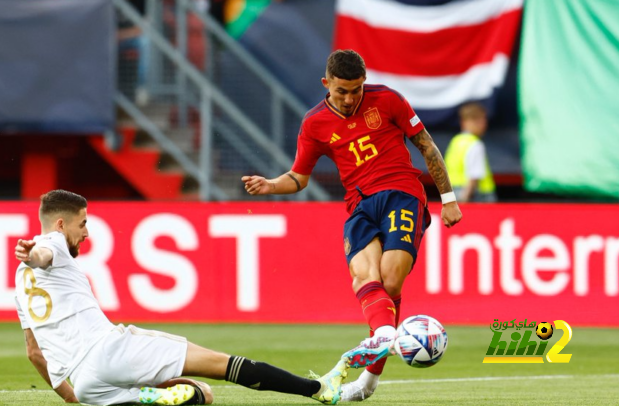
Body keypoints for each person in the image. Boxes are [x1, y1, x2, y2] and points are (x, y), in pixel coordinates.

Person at [241, 49, 462, 402]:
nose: (349, 98)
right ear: (326, 84)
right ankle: (380, 351)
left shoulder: (388, 99)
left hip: (401, 193)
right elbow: (299, 177)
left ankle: (370, 375)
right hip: (359, 205)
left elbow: (426, 145)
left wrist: (448, 199)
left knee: (390, 280)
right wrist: (271, 184)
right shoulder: (314, 123)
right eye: (341, 90)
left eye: (356, 90)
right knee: (364, 277)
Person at [14, 189, 348, 405]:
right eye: (83, 224)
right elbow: (43, 254)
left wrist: (74, 399)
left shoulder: (19, 281)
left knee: (196, 395)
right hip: (109, 350)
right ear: (60, 224)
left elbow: (34, 353)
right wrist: (33, 253)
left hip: (86, 384)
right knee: (217, 370)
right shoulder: (53, 243)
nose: (86, 232)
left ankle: (148, 395)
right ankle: (319, 390)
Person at [443, 102, 497, 203]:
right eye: (482, 120)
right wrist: (465, 198)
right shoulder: (475, 144)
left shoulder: (455, 141)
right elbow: (474, 176)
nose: (485, 124)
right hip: (477, 195)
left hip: (453, 192)